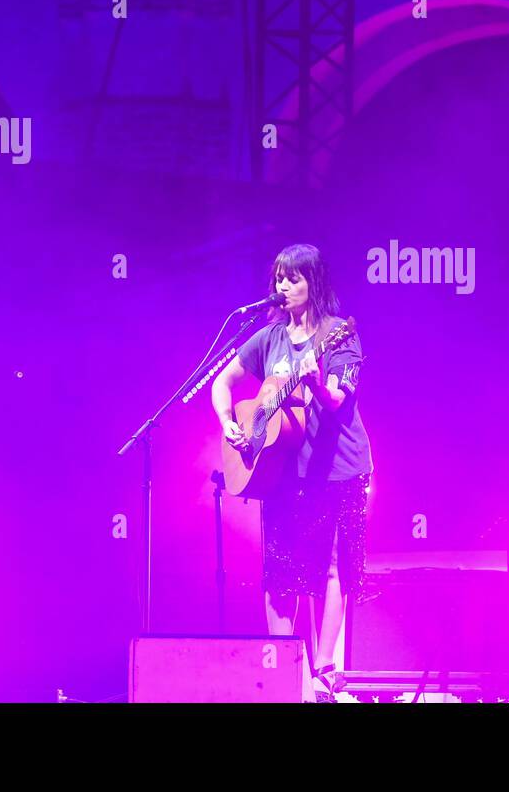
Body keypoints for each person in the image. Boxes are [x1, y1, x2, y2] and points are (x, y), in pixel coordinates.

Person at [211, 244, 372, 702]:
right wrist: (229, 423)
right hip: (282, 471)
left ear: (313, 283)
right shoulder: (269, 336)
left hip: (338, 468)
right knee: (282, 572)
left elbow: (338, 399)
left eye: (294, 278)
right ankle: (284, 669)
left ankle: (325, 674)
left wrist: (316, 380)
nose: (283, 286)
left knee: (333, 570)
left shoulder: (338, 333)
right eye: (279, 277)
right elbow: (224, 383)